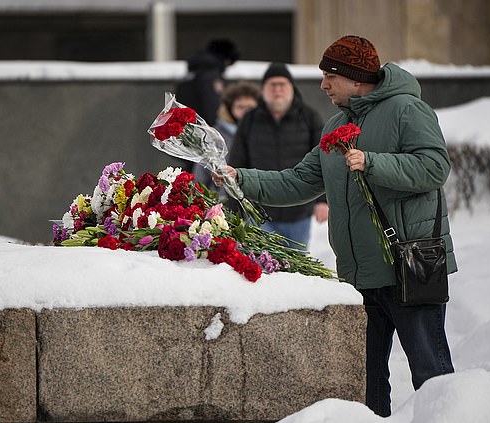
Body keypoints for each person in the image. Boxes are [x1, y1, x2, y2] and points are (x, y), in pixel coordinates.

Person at [212, 35, 456, 417]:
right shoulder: (335, 126)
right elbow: (298, 181)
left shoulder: (408, 110)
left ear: (356, 79)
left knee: (430, 374)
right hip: (358, 276)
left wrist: (372, 162)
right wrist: (239, 178)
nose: (323, 85)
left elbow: (435, 167)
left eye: (330, 77)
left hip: (409, 268)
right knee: (364, 380)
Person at [228, 62, 328, 249]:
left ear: (292, 88)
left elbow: (324, 160)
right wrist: (235, 208)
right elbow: (237, 161)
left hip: (299, 212)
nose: (278, 90)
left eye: (282, 84)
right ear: (263, 90)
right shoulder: (250, 119)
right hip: (260, 212)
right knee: (264, 267)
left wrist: (323, 201)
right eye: (272, 85)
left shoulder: (309, 117)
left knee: (296, 268)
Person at [192, 80, 260, 193]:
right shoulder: (215, 137)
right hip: (224, 202)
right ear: (230, 108)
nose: (245, 113)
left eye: (250, 108)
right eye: (240, 107)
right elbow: (200, 176)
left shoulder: (264, 132)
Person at [175, 39, 240, 127]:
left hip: (187, 128)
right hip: (203, 131)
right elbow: (213, 108)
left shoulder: (191, 75)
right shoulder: (211, 76)